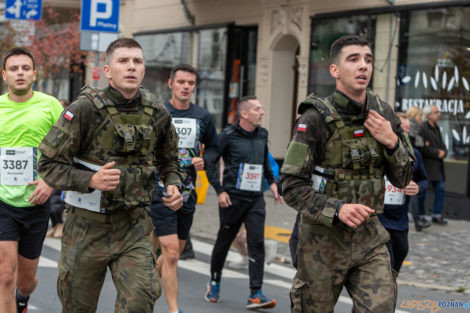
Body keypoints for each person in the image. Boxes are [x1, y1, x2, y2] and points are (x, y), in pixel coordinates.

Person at [37, 38, 184, 312]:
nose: (131, 67)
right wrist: (89, 181)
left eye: (137, 61)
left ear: (143, 69)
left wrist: (174, 185)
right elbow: (47, 165)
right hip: (86, 228)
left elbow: (170, 160)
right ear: (107, 71)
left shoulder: (157, 113)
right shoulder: (83, 110)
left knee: (140, 301)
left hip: (134, 225)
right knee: (77, 307)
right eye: (123, 61)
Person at [280, 35, 414, 312]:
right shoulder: (314, 118)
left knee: (380, 307)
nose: (363, 66)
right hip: (322, 243)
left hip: (370, 240)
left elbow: (403, 179)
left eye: (368, 59)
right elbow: (292, 186)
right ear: (335, 70)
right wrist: (337, 208)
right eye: (353, 59)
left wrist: (391, 142)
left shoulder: (384, 113)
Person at [148, 63, 218, 313]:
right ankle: (174, 310)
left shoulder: (202, 116)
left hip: (188, 191)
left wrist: (205, 160)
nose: (186, 87)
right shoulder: (158, 113)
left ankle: (146, 285)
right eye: (181, 82)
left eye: (191, 83)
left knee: (172, 252)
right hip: (161, 190)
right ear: (171, 84)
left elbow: (214, 147)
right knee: (172, 253)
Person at [0, 47, 63, 313]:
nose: (20, 73)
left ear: (35, 74)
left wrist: (50, 183)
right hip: (2, 202)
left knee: (25, 282)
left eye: (25, 68)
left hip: (36, 203)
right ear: (5, 75)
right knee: (4, 276)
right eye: (14, 69)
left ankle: (23, 299)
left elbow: (67, 151)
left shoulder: (50, 106)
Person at [204, 96, 282, 309]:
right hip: (232, 198)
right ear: (245, 114)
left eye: (262, 108)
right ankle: (214, 282)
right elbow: (209, 161)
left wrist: (273, 184)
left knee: (256, 242)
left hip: (255, 198)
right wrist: (219, 191)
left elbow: (264, 160)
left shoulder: (262, 134)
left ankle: (255, 293)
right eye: (258, 109)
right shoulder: (228, 135)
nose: (262, 112)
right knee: (224, 241)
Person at [379, 113, 428, 273]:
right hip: (378, 220)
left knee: (395, 267)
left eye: (407, 130)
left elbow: (424, 180)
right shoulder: (377, 151)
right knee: (384, 267)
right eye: (401, 129)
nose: (405, 133)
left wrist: (418, 187)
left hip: (400, 222)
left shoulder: (414, 154)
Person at [418, 105, 448, 225]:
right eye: (436, 112)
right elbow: (423, 147)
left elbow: (442, 144)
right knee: (423, 191)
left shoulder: (437, 128)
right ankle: (421, 215)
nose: (439, 114)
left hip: (438, 166)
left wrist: (444, 151)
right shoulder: (423, 128)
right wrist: (437, 153)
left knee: (440, 189)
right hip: (427, 165)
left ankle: (437, 214)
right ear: (429, 115)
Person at [406, 106, 431, 231]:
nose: (421, 119)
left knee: (413, 190)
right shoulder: (412, 126)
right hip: (410, 160)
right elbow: (417, 142)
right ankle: (417, 221)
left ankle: (418, 219)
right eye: (420, 116)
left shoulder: (415, 126)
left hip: (413, 160)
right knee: (412, 191)